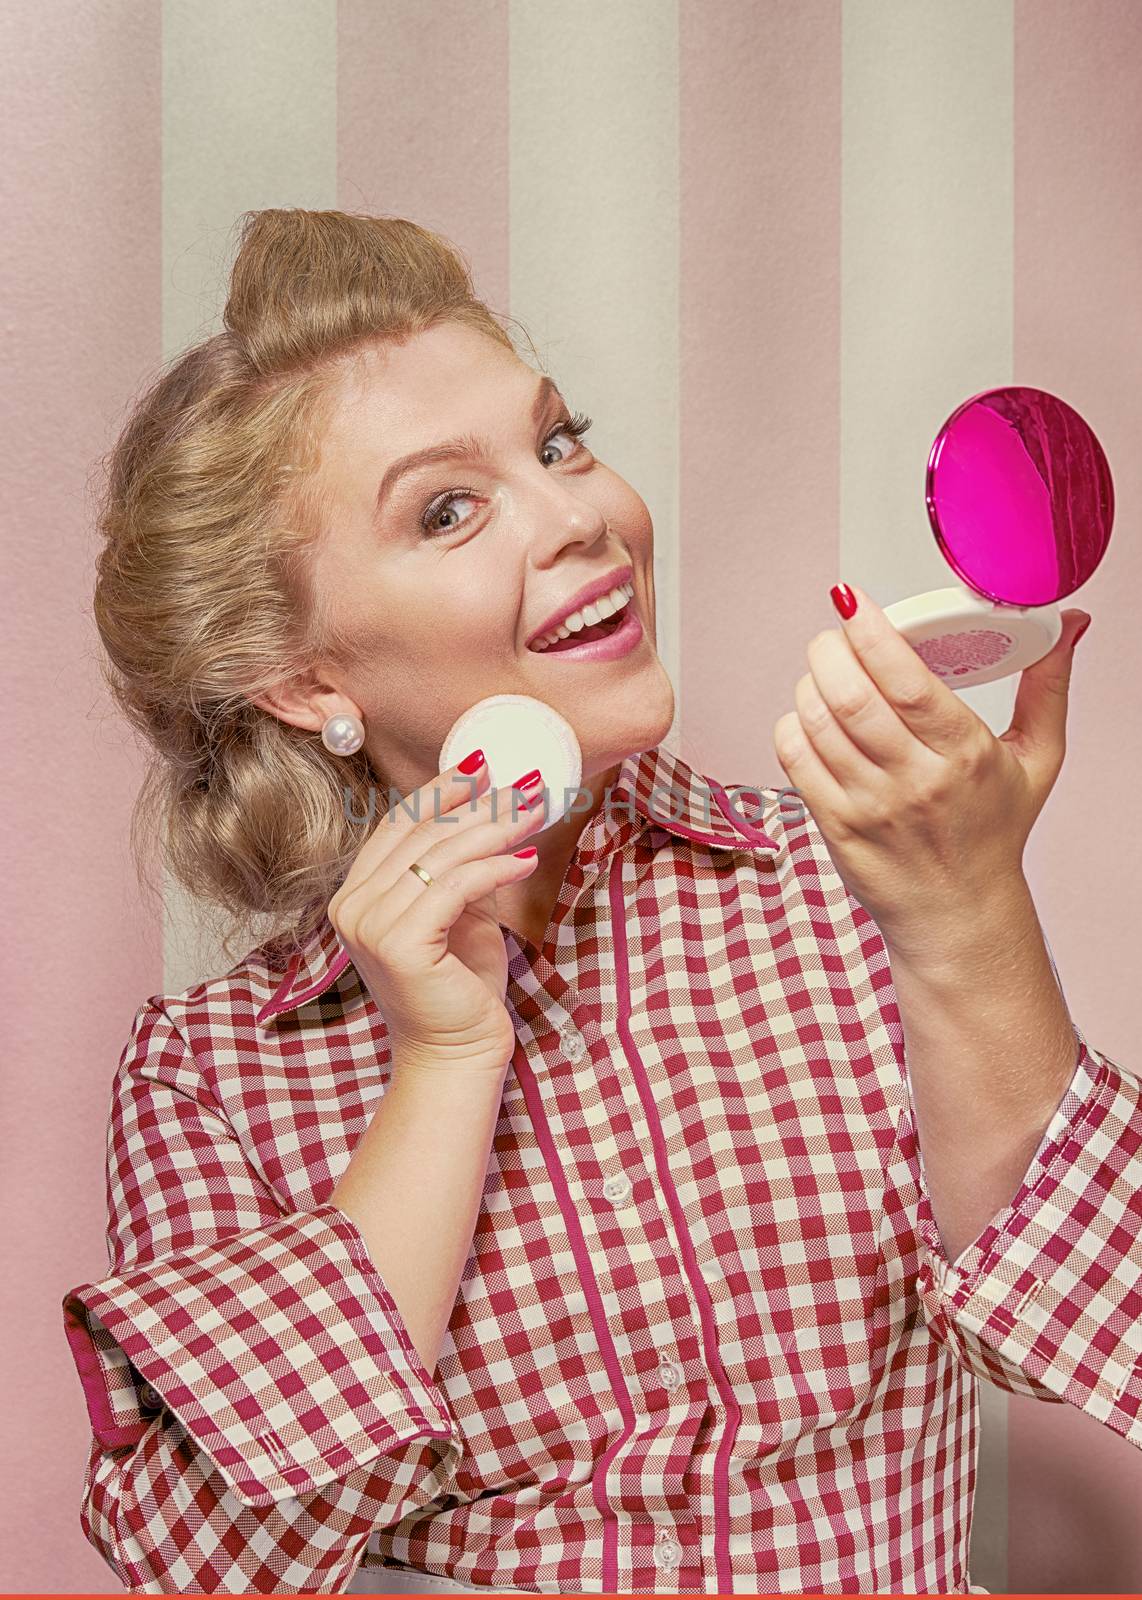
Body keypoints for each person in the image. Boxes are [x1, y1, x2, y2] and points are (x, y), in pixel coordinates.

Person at [62, 208, 1142, 1597]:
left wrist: (964, 914)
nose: (583, 515)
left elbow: (1110, 1331)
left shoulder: (852, 879)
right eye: (446, 508)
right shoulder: (209, 1077)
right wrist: (445, 1062)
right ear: (305, 682)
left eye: (558, 443)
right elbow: (215, 1560)